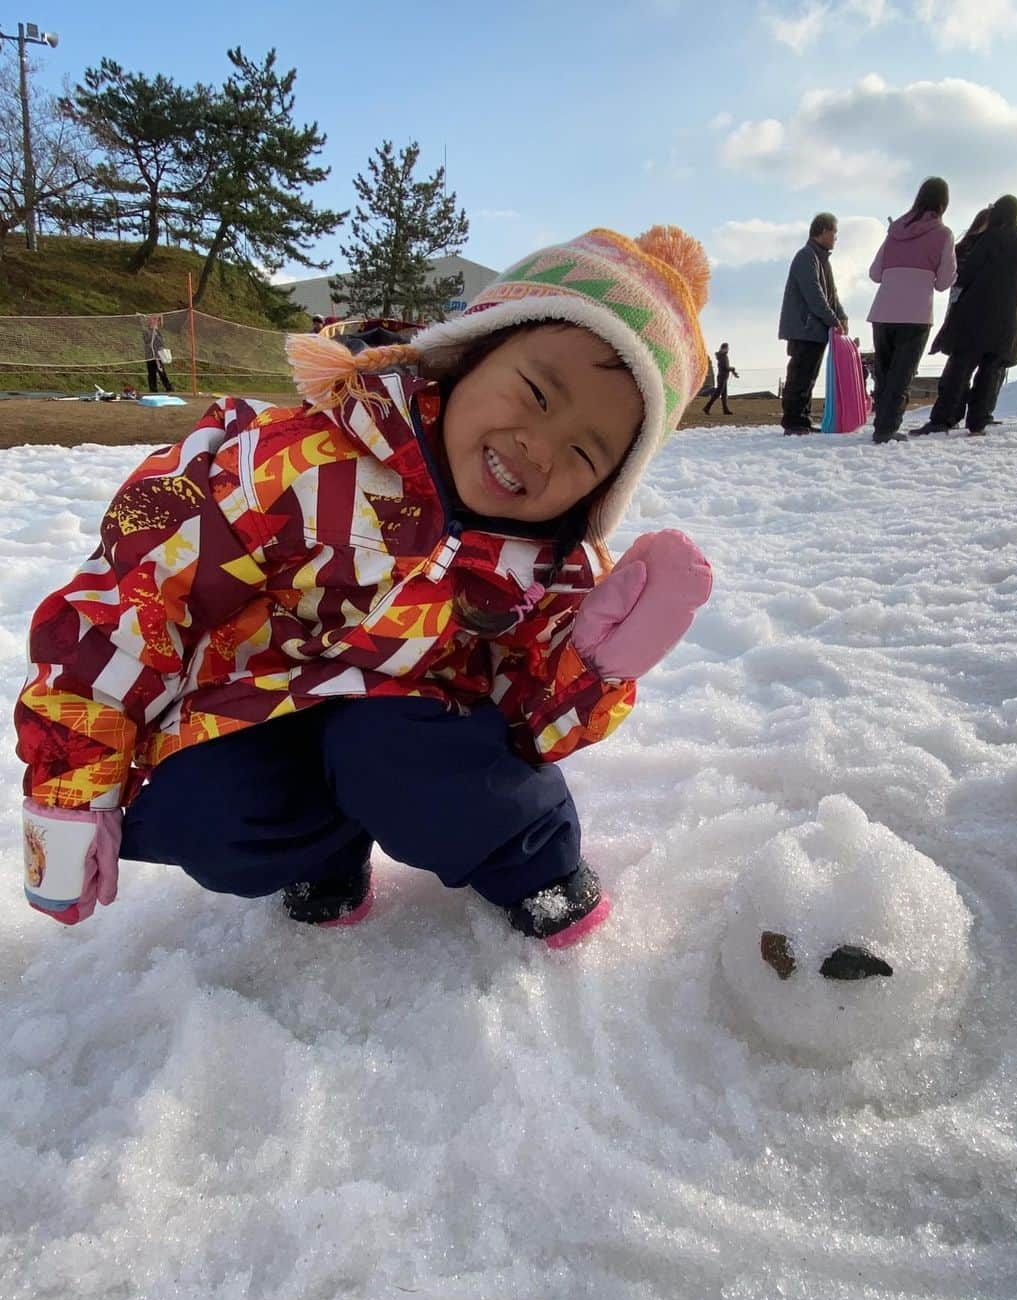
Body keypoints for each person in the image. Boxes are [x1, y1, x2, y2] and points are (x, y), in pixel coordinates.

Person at [15, 224, 714, 950]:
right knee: (206, 804)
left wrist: (597, 662)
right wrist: (73, 780)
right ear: (467, 354)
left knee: (390, 748)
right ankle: (323, 858)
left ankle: (533, 865)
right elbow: (139, 594)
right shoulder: (295, 465)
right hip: (263, 710)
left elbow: (527, 721)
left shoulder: (549, 567)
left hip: (412, 738)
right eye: (537, 392)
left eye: (584, 452)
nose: (539, 447)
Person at [912, 195, 1017, 437]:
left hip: (975, 315)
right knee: (992, 371)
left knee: (959, 368)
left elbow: (967, 272)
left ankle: (943, 418)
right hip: (1010, 318)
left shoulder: (990, 238)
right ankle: (979, 420)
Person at [865, 177, 956, 445]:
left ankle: (880, 423)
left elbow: (874, 273)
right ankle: (887, 428)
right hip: (915, 314)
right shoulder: (943, 234)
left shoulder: (895, 230)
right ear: (943, 203)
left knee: (883, 372)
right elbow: (943, 282)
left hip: (882, 311)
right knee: (901, 375)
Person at [778, 213, 848, 435]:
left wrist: (842, 316)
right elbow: (814, 295)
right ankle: (793, 420)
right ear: (824, 231)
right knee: (799, 374)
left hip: (817, 330)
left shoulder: (822, 259)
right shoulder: (806, 256)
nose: (836, 237)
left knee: (809, 375)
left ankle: (803, 418)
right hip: (804, 328)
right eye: (835, 232)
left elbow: (832, 295)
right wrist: (833, 320)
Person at [703, 342, 739, 414]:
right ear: (723, 348)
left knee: (724, 394)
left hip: (723, 377)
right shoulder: (722, 356)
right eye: (726, 348)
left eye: (727, 348)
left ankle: (725, 410)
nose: (727, 349)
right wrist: (732, 369)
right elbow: (725, 367)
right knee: (717, 393)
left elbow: (726, 367)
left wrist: (733, 372)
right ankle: (707, 407)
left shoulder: (723, 356)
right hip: (722, 377)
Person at [141, 315, 173, 394]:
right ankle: (153, 389)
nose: (153, 321)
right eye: (152, 320)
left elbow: (161, 342)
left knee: (161, 372)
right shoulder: (146, 331)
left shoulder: (159, 332)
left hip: (158, 356)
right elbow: (147, 340)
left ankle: (168, 387)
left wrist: (156, 332)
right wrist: (153, 333)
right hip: (150, 355)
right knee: (151, 373)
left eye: (155, 320)